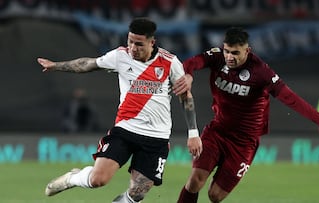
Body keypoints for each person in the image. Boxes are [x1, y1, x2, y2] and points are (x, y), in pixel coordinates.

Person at [37, 17, 202, 203]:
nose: (133, 47)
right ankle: (72, 178)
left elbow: (186, 98)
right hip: (125, 130)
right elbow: (88, 64)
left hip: (157, 138)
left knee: (136, 194)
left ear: (152, 42)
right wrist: (56, 66)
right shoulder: (120, 56)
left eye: (139, 44)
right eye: (130, 41)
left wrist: (193, 133)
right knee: (98, 180)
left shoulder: (170, 63)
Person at [172, 27, 319, 203]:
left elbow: (290, 98)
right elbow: (192, 62)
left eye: (235, 53)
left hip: (244, 142)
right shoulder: (217, 57)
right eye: (227, 51)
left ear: (247, 51)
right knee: (195, 181)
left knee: (215, 196)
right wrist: (189, 75)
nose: (230, 57)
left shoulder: (261, 72)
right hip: (217, 131)